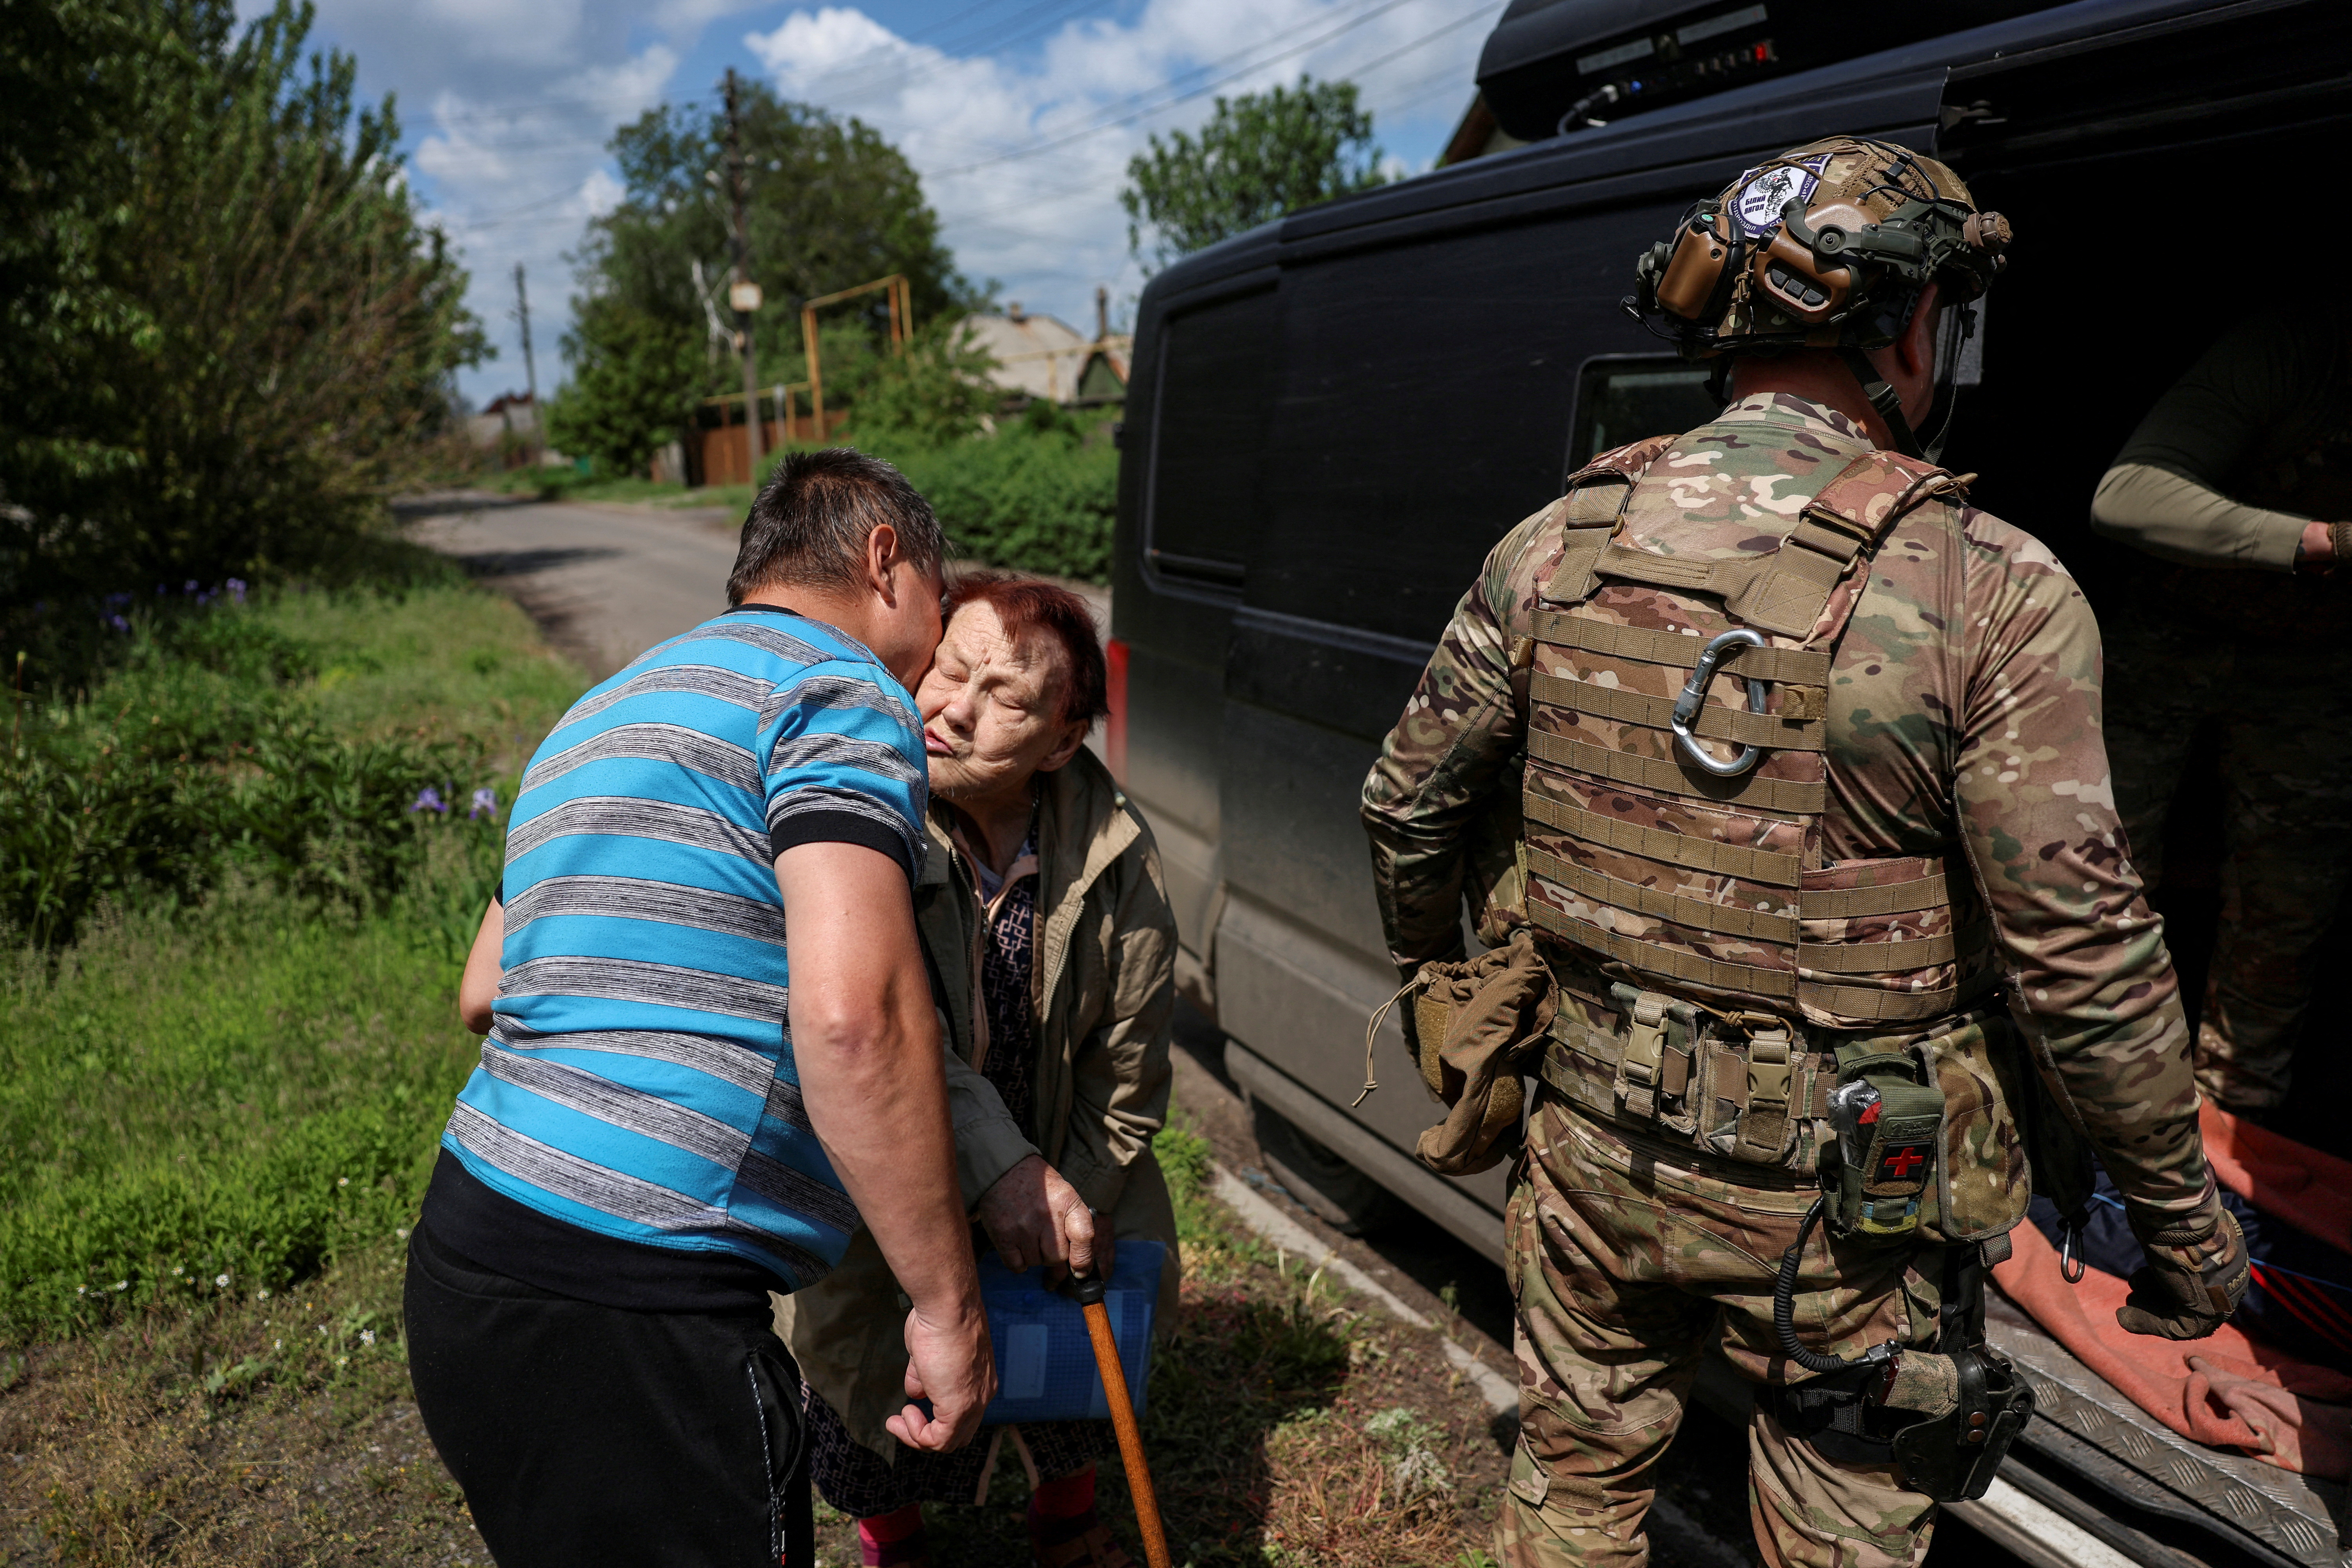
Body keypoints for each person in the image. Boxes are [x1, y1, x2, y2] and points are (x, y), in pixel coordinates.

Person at [1361, 136, 2250, 1567]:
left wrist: (1449, 993)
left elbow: (1407, 808)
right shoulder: (1987, 585)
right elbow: (2081, 955)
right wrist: (2184, 1229)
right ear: (1917, 322)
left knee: (1570, 1502)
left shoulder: (1556, 543)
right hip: (1850, 1208)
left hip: (1590, 1143)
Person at [408, 448, 996, 1567]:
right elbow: (857, 1018)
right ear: (885, 560)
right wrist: (946, 1307)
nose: (937, 643)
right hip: (638, 1306)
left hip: (466, 1260)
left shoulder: (605, 707)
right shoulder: (840, 687)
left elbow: (483, 989)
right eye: (941, 593)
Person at [776, 572, 1180, 1568]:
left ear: (1062, 741)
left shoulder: (1117, 853)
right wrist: (994, 1181)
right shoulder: (860, 822)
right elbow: (879, 1033)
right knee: (870, 1386)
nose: (955, 709)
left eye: (1006, 698)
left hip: (1059, 1174)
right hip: (885, 1179)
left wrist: (1072, 1199)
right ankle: (893, 1538)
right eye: (950, 670)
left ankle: (1065, 1517)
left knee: (1073, 1362)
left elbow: (1127, 1069)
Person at [2088, 309, 2352, 1119]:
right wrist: (2331, 542)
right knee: (2103, 877)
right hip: (2169, 635)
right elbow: (2127, 496)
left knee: (2287, 904)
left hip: (2313, 664)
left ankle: (2240, 1124)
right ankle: (2099, 1109)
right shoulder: (2300, 351)